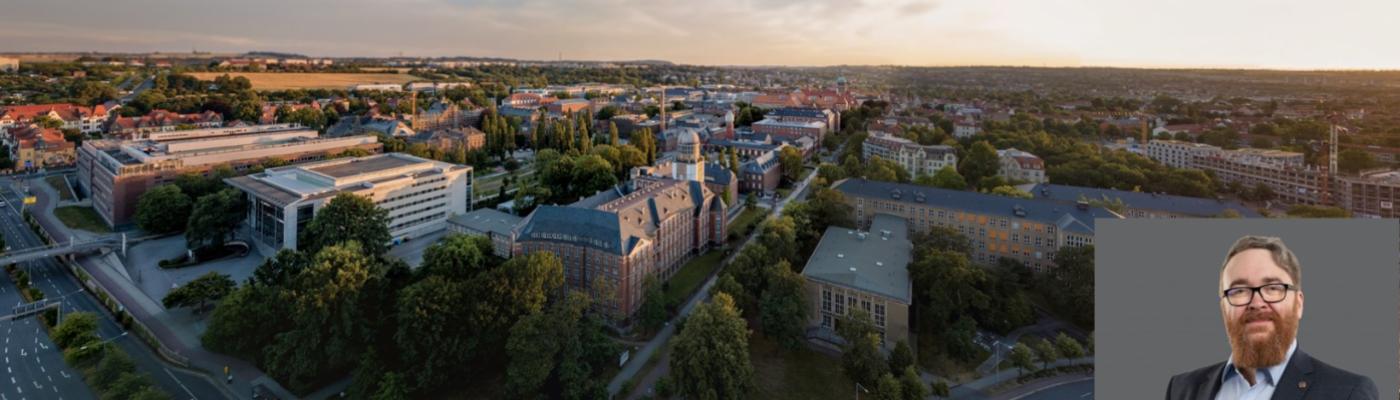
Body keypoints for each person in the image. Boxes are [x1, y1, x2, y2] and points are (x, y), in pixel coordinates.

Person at [1165, 235, 1378, 400]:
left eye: (1274, 288)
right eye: (1239, 290)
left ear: (1299, 303)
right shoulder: (1183, 389)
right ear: (1223, 306)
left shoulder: (1347, 392)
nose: (1257, 303)